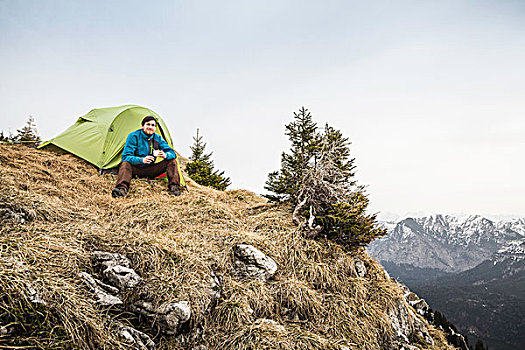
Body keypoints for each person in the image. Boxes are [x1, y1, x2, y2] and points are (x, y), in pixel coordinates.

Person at [112, 116, 183, 197]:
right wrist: (141, 160)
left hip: (151, 169)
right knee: (125, 164)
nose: (150, 127)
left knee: (172, 161)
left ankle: (174, 188)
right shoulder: (134, 136)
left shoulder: (158, 138)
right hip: (135, 169)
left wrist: (165, 155)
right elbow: (125, 157)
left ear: (155, 128)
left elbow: (172, 153)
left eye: (153, 125)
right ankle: (122, 189)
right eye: (148, 124)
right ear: (143, 126)